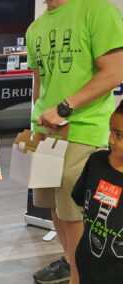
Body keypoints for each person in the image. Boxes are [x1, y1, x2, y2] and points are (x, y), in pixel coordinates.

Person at [25, 0, 123, 283]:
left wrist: (64, 108)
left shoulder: (97, 10)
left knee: (76, 212)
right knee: (55, 206)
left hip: (82, 130)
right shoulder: (35, 28)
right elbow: (39, 83)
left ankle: (80, 278)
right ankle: (72, 267)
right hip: (45, 132)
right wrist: (37, 122)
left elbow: (114, 72)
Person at [71, 101, 123, 284]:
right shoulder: (96, 162)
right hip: (87, 265)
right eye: (111, 131)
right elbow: (80, 199)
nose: (111, 140)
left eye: (119, 135)